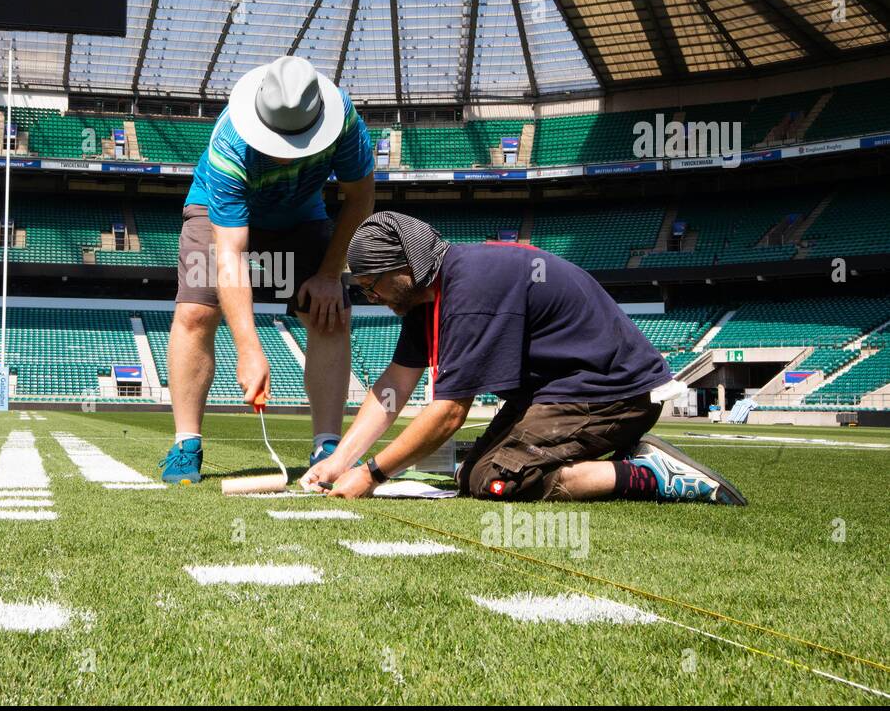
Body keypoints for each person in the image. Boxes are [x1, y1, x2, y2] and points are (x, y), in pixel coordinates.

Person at [301, 211, 747, 505]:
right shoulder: (429, 295)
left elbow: (448, 414)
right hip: (565, 389)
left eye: (371, 284)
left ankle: (651, 476)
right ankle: (617, 457)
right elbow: (392, 388)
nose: (371, 297)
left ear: (405, 269)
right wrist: (340, 462)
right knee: (470, 475)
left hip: (611, 393)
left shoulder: (468, 292)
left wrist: (372, 475)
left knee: (497, 480)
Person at [159, 56, 376, 484]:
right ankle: (186, 443)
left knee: (330, 310)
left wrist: (331, 274)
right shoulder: (229, 143)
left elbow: (360, 198)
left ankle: (328, 446)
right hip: (220, 216)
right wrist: (248, 347)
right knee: (196, 312)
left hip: (301, 215)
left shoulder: (347, 123)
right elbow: (230, 255)